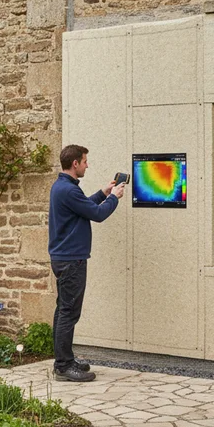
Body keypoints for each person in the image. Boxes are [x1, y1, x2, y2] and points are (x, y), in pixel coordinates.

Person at [48, 144, 126, 382]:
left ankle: (65, 360)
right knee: (69, 313)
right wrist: (114, 198)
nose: (87, 165)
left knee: (63, 310)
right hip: (71, 260)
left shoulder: (63, 187)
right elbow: (97, 214)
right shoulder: (69, 190)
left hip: (64, 258)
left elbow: (84, 207)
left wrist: (103, 193)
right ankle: (63, 366)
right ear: (75, 164)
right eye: (84, 161)